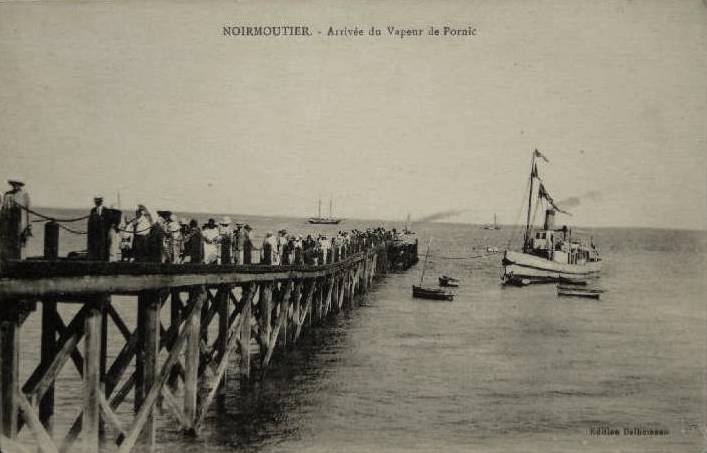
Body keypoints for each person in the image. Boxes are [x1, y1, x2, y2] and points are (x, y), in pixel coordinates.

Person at [0, 178, 31, 260]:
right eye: (13, 184)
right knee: (7, 242)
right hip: (8, 221)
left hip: (20, 222)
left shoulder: (24, 195)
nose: (15, 186)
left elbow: (27, 211)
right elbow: (4, 208)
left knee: (20, 242)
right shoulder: (7, 194)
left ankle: (18, 260)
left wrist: (29, 226)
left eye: (17, 184)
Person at [87, 195, 111, 261]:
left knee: (103, 248)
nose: (97, 202)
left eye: (98, 200)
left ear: (101, 201)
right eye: (96, 200)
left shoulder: (106, 211)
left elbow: (109, 222)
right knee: (95, 248)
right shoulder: (93, 210)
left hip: (103, 233)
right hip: (95, 234)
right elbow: (90, 223)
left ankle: (103, 260)